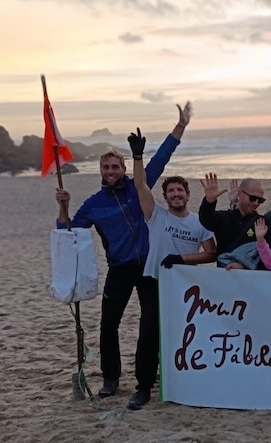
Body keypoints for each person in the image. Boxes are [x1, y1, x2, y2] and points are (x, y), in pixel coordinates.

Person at [54, 109, 190, 400]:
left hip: (150, 268)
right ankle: (111, 379)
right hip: (120, 268)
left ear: (124, 168)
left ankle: (143, 385)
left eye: (116, 167)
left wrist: (180, 126)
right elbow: (67, 232)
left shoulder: (138, 188)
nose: (111, 171)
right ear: (101, 171)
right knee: (108, 326)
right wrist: (63, 206)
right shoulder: (93, 204)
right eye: (107, 168)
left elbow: (162, 158)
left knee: (149, 327)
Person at [126, 126, 216, 410]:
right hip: (154, 281)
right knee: (149, 334)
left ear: (188, 194)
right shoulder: (156, 215)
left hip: (185, 286)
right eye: (171, 191)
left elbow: (211, 253)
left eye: (180, 190)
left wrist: (181, 260)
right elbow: (140, 185)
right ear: (165, 196)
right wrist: (138, 156)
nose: (176, 194)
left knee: (184, 333)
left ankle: (183, 381)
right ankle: (143, 387)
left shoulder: (199, 223)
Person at [198, 174, 265, 269]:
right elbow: (206, 220)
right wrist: (209, 201)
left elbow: (268, 254)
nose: (256, 203)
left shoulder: (262, 222)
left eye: (260, 200)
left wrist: (243, 265)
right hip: (225, 275)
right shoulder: (225, 218)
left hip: (251, 277)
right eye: (253, 198)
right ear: (240, 193)